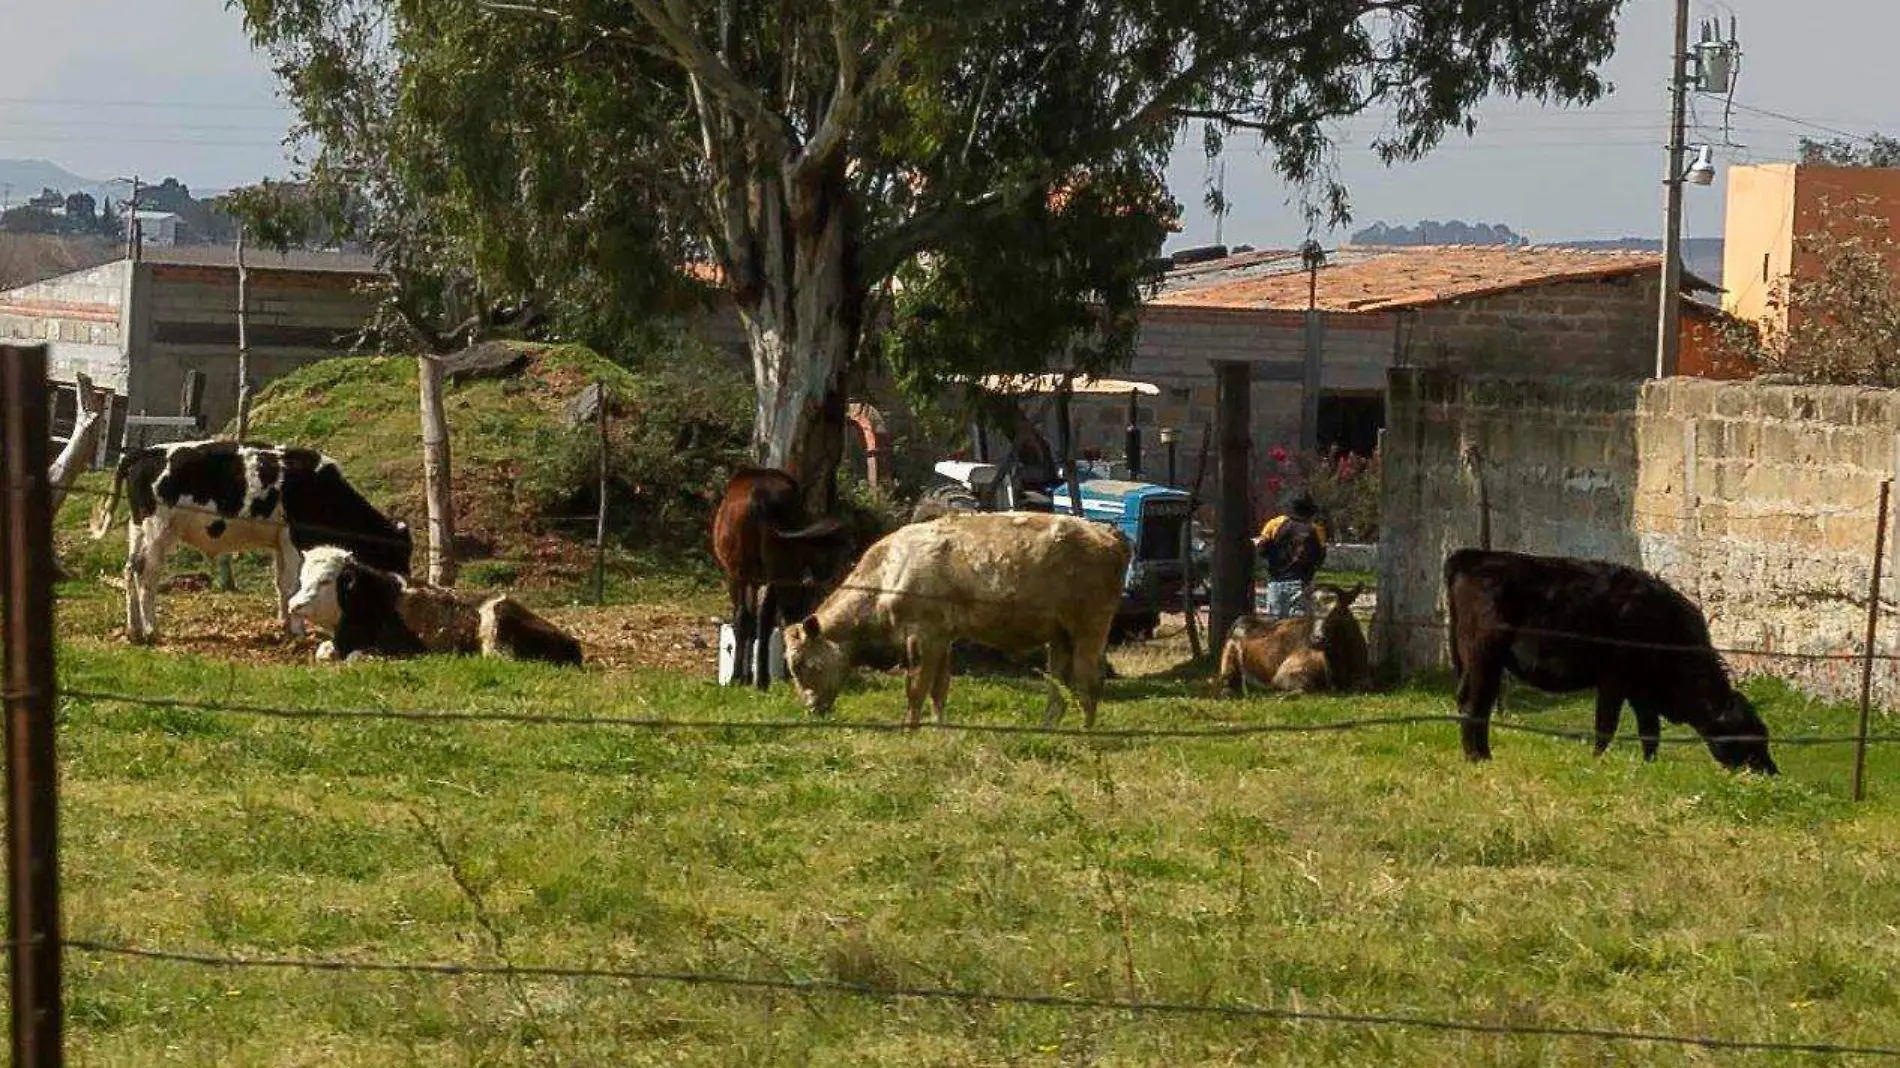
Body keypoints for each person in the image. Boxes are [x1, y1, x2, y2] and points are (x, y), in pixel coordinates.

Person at [1256, 490, 1328, 619]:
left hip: (1276, 582)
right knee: (1297, 629)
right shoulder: (1316, 530)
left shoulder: (1273, 524)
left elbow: (1261, 550)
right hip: (1302, 583)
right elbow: (1321, 557)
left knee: (1275, 627)